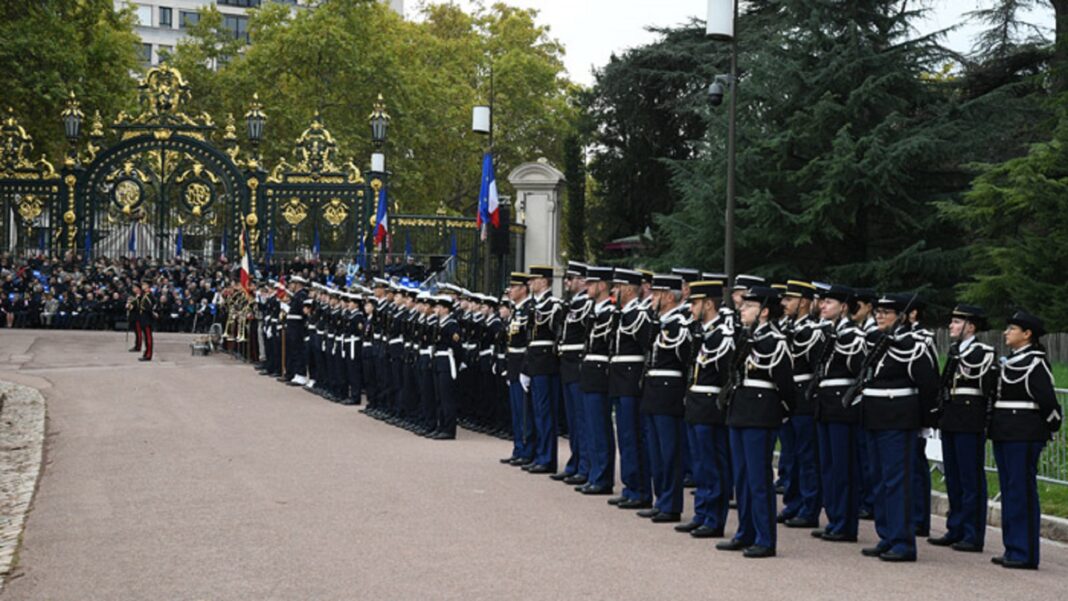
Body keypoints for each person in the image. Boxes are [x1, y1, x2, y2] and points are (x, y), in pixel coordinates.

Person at [859, 293, 939, 563]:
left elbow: (928, 384)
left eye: (887, 312)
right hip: (874, 416)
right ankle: (886, 536)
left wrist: (926, 421)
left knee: (896, 482)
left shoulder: (912, 344)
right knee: (879, 480)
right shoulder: (874, 341)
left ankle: (903, 542)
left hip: (898, 419)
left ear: (902, 317)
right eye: (878, 311)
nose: (880, 316)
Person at [716, 286, 795, 559]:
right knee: (742, 477)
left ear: (764, 312)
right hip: (740, 409)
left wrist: (782, 411)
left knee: (759, 478)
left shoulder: (775, 341)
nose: (742, 309)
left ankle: (765, 538)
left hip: (761, 412)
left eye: (749, 306)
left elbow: (785, 383)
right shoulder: (745, 336)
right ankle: (745, 532)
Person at [990, 310, 1062, 569]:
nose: (1006, 333)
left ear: (1027, 334)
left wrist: (1050, 428)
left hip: (1023, 434)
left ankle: (1024, 552)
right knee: (1010, 491)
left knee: (1021, 491)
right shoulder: (1012, 360)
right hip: (1005, 431)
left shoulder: (1035, 362)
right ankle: (1013, 547)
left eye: (1012, 328)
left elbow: (1048, 403)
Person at [928, 304, 996, 552]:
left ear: (971, 326)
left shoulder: (982, 352)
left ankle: (972, 533)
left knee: (970, 479)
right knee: (953, 478)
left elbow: (987, 389)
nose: (951, 326)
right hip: (952, 418)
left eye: (957, 322)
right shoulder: (955, 351)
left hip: (970, 419)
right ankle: (955, 527)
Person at [676, 278, 733, 539]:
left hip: (710, 407)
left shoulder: (723, 335)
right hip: (696, 404)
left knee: (712, 465)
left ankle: (714, 518)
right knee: (699, 464)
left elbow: (725, 378)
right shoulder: (701, 333)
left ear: (709, 304)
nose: (690, 308)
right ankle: (701, 512)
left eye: (695, 303)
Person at [812, 285, 865, 543]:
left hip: (842, 407)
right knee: (829, 467)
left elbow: (858, 372)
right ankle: (834, 518)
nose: (823, 306)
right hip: (825, 405)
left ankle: (845, 523)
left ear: (844, 307)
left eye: (829, 302)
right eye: (823, 302)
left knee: (843, 468)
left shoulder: (853, 336)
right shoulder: (830, 334)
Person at [637, 274, 692, 524]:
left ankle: (671, 503)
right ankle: (661, 498)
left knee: (669, 451)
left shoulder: (680, 324)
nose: (652, 298)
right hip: (653, 388)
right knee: (656, 450)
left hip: (669, 390)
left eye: (657, 294)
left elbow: (685, 360)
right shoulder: (659, 322)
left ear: (670, 297)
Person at [606, 268, 654, 510]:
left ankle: (640, 489)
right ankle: (630, 486)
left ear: (627, 289)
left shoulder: (639, 314)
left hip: (631, 380)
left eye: (618, 287)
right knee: (625, 436)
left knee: (633, 435)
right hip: (619, 379)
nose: (614, 291)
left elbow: (648, 347)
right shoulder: (623, 313)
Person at [778, 280, 823, 528]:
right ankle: (792, 502)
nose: (784, 304)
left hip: (804, 396)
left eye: (789, 299)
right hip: (787, 397)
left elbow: (817, 368)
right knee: (790, 454)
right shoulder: (785, 327)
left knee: (807, 456)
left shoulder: (814, 331)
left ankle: (809, 507)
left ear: (804, 302)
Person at [576, 266, 616, 495]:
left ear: (602, 286)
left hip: (600, 371)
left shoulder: (609, 311)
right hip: (590, 370)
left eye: (591, 283)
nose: (587, 287)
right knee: (590, 426)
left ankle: (602, 477)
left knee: (600, 426)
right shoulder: (592, 310)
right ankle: (594, 473)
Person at [523, 265, 564, 475]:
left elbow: (558, 337)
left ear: (545, 281)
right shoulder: (532, 305)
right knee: (538, 413)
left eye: (535, 279)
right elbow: (529, 338)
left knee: (546, 413)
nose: (531, 283)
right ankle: (540, 454)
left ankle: (548, 458)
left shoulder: (555, 305)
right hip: (535, 363)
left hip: (547, 363)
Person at [554, 261, 592, 484]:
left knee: (581, 419)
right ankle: (576, 461)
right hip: (567, 364)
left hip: (577, 363)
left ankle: (584, 466)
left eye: (571, 278)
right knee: (573, 420)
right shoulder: (571, 305)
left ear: (582, 281)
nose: (567, 282)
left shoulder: (586, 305)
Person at [501, 273, 534, 466]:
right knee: (516, 411)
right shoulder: (516, 310)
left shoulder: (529, 309)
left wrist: (525, 370)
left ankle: (527, 450)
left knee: (524, 412)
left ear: (523, 289)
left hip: (522, 363)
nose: (511, 291)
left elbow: (528, 343)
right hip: (513, 363)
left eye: (514, 287)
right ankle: (518, 448)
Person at [431, 295, 463, 440]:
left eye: (438, 307)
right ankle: (441, 426)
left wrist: (456, 364)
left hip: (447, 362)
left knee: (447, 397)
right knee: (438, 397)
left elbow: (457, 347)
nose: (435, 309)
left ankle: (449, 429)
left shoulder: (452, 325)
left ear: (445, 309)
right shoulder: (439, 323)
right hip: (439, 360)